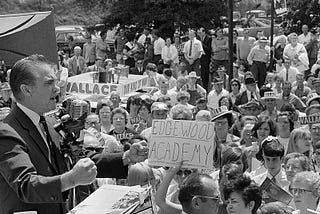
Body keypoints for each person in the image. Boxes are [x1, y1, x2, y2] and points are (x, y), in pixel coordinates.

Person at [0, 55, 147, 214]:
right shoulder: (7, 132)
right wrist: (71, 179)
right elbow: (26, 185)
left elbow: (80, 160)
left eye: (56, 82)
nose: (57, 88)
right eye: (49, 83)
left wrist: (126, 158)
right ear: (26, 90)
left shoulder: (50, 122)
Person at [198, 27, 212, 91]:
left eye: (200, 32)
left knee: (205, 74)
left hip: (206, 59)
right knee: (201, 74)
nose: (199, 34)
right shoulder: (198, 38)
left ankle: (205, 88)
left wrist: (201, 43)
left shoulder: (209, 38)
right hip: (199, 58)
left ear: (204, 32)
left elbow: (209, 49)